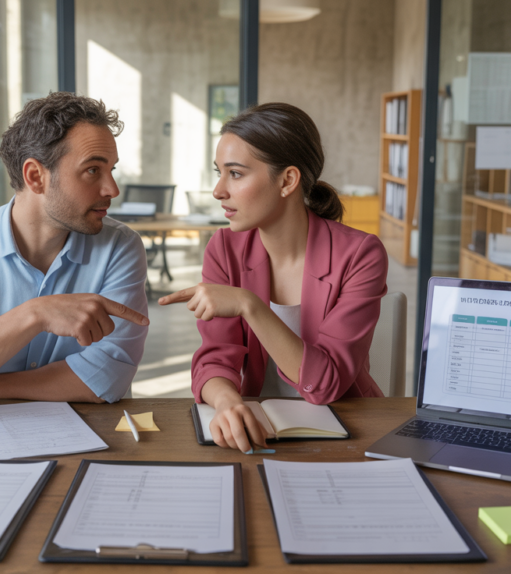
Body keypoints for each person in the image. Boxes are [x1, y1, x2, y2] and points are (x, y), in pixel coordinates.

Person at [159, 103, 387, 452]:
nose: (219, 190)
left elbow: (326, 384)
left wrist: (249, 305)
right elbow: (215, 359)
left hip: (345, 431)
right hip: (255, 434)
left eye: (235, 174)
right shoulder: (223, 248)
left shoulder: (360, 255)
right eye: (219, 172)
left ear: (287, 180)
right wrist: (226, 402)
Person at [0, 92, 150, 407]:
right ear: (35, 176)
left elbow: (108, 377)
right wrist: (35, 314)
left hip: (92, 440)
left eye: (112, 170)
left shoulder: (119, 246)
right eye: (92, 170)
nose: (112, 189)